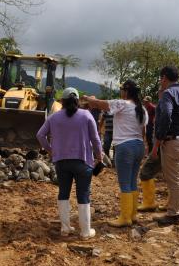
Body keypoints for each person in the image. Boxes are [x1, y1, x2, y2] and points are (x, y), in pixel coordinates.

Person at [37, 87, 103, 239]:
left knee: (63, 193)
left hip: (61, 162)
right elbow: (95, 139)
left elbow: (40, 135)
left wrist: (50, 150)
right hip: (83, 161)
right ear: (77, 100)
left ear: (63, 102)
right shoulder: (86, 115)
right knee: (83, 194)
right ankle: (86, 231)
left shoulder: (54, 117)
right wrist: (99, 156)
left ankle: (65, 229)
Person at [83, 80, 148, 227]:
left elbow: (100, 103)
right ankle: (132, 215)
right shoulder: (141, 109)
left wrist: (87, 98)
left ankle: (125, 218)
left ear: (126, 91)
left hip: (125, 146)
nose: (120, 92)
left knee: (124, 182)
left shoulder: (122, 104)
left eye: (121, 90)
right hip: (138, 145)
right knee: (132, 181)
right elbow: (143, 131)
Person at [152, 66, 179, 227]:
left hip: (173, 141)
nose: (160, 82)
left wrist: (160, 136)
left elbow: (165, 115)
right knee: (176, 178)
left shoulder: (168, 94)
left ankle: (173, 214)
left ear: (164, 78)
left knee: (174, 180)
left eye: (160, 79)